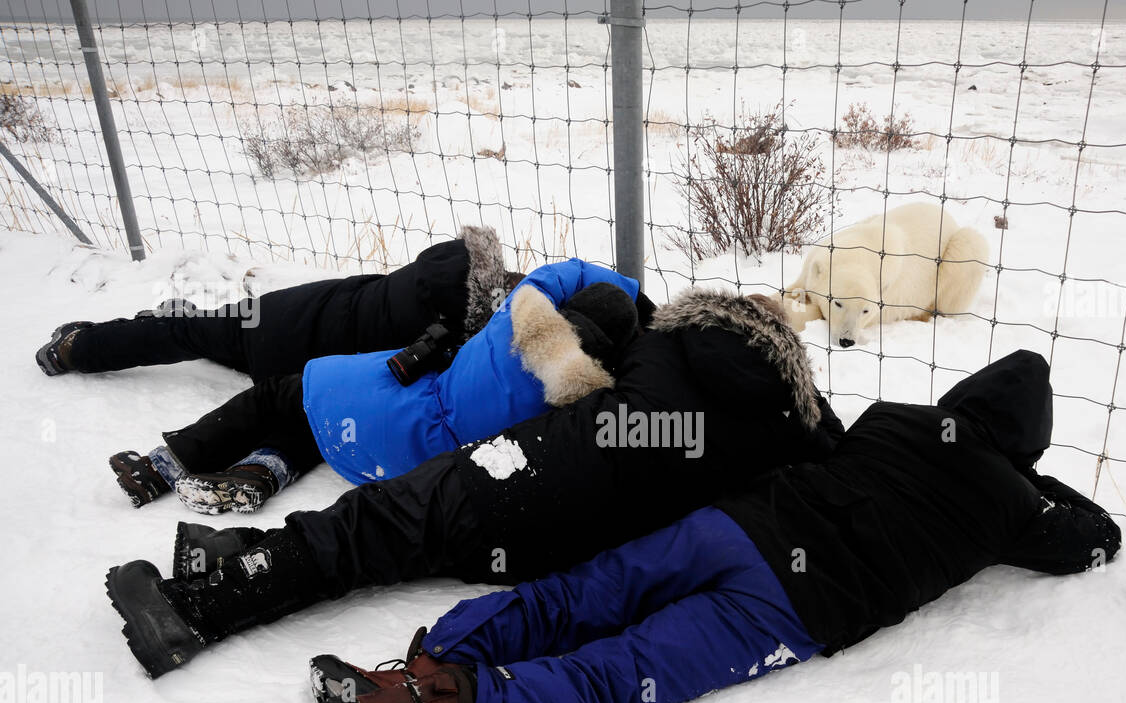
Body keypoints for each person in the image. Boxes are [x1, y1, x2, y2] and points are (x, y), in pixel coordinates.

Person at [292, 350, 1123, 703]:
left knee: (575, 598)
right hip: (794, 602)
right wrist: (1027, 481)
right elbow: (1097, 540)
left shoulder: (897, 416)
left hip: (733, 527)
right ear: (1026, 451)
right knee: (618, 675)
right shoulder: (1016, 505)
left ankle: (412, 672)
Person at [105, 290, 844, 678]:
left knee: (372, 527)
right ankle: (228, 551)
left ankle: (192, 612)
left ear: (714, 316)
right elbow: (831, 451)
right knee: (389, 540)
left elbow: (585, 366)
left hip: (521, 472)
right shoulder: (784, 427)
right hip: (568, 549)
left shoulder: (667, 340)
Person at [106, 261, 644, 513]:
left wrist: (632, 292)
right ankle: (262, 471)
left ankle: (162, 464)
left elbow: (553, 275)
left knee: (278, 397)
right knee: (320, 429)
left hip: (393, 400)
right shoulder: (585, 408)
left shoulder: (514, 323)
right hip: (407, 466)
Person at [38, 226, 590, 381]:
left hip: (295, 313)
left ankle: (103, 336)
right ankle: (79, 350)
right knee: (196, 333)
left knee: (200, 330)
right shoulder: (456, 334)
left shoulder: (445, 269)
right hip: (290, 343)